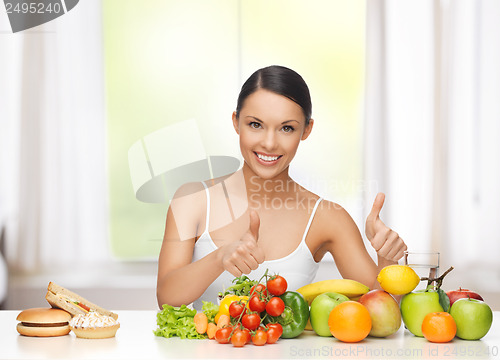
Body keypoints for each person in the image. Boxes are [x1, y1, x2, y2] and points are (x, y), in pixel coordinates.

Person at [156, 65, 407, 309]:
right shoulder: (192, 200)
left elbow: (383, 314)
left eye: (287, 128)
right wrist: (219, 257)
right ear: (236, 121)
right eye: (255, 124)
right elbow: (166, 298)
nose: (269, 143)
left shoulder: (329, 218)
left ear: (306, 130)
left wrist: (387, 259)